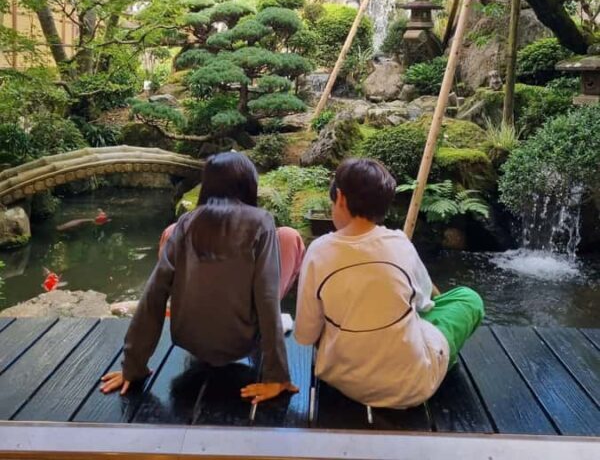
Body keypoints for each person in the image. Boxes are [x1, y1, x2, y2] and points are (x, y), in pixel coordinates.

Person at [100, 152, 305, 404]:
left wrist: (133, 365)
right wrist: (276, 375)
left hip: (189, 340)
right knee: (285, 244)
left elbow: (155, 292)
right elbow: (267, 297)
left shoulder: (186, 222)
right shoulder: (261, 222)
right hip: (240, 342)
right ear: (249, 185)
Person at [294, 158, 484, 409]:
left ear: (339, 197)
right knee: (468, 298)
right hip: (411, 387)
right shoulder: (399, 243)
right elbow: (427, 303)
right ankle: (444, 358)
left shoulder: (318, 251)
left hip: (341, 381)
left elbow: (306, 335)